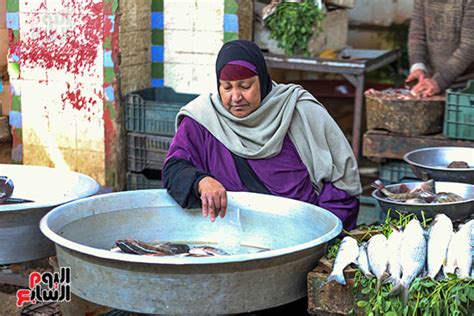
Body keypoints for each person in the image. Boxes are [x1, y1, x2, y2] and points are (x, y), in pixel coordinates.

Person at [163, 40, 362, 230]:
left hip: (301, 233)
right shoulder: (203, 119)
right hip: (229, 234)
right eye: (227, 87)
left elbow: (342, 184)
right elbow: (174, 168)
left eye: (245, 86)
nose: (236, 97)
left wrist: (318, 232)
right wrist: (201, 181)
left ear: (263, 81)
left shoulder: (299, 110)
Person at [406, 0, 474, 97]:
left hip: (467, 89)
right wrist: (418, 67)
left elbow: (469, 46)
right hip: (433, 85)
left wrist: (439, 81)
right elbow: (417, 35)